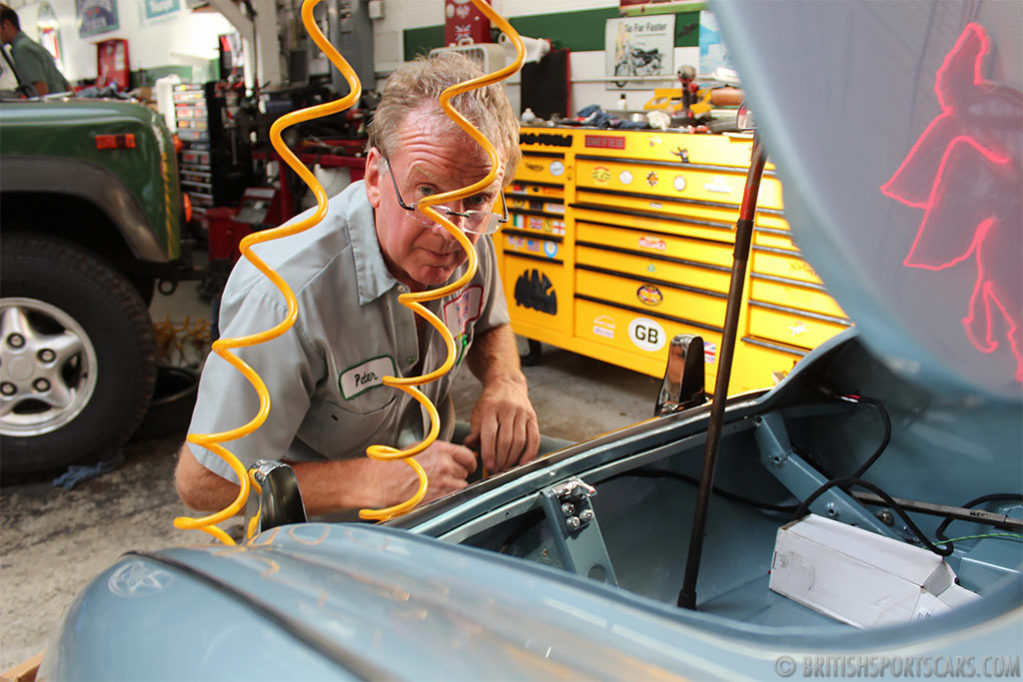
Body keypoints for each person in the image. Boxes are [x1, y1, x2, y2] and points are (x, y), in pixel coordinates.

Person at [176, 53, 546, 518]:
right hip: (321, 527)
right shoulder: (286, 294)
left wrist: (506, 381)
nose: (451, 231)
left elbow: (488, 325)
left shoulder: (472, 232)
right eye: (428, 194)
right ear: (374, 176)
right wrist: (371, 482)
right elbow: (203, 483)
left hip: (432, 486)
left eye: (477, 201)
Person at [0, 3, 70, 96]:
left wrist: (13, 96)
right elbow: (67, 87)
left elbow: (39, 91)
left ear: (6, 25)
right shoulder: (33, 46)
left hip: (45, 109)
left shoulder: (22, 49)